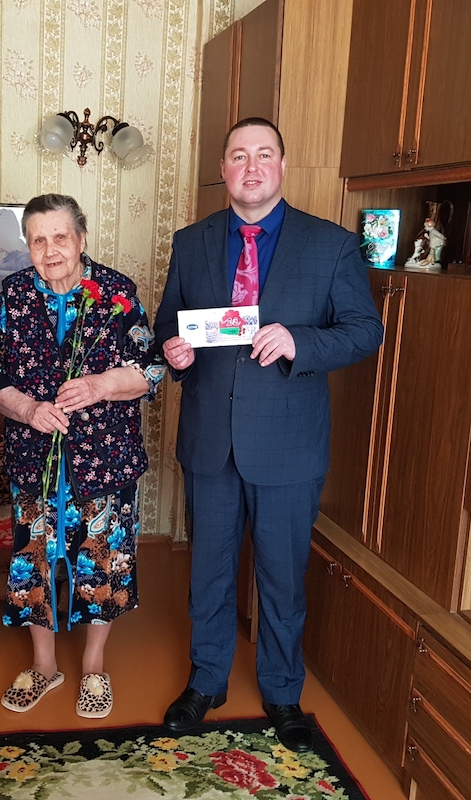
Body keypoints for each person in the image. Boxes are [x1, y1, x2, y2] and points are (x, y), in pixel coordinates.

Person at [154, 118, 383, 751]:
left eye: (263, 155)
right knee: (209, 571)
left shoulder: (330, 244)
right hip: (210, 439)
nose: (250, 168)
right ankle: (206, 680)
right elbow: (167, 324)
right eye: (238, 156)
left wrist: (299, 340)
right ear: (223, 169)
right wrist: (172, 352)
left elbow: (365, 331)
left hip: (288, 446)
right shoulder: (192, 241)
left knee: (281, 576)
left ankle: (283, 692)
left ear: (282, 165)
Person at [0, 193, 164, 719]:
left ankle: (94, 666)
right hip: (35, 459)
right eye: (38, 239)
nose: (50, 249)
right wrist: (27, 408)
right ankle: (43, 666)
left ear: (81, 238)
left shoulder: (116, 293)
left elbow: (151, 369)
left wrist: (102, 384)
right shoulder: (15, 295)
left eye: (61, 236)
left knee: (102, 559)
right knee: (33, 561)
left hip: (104, 459)